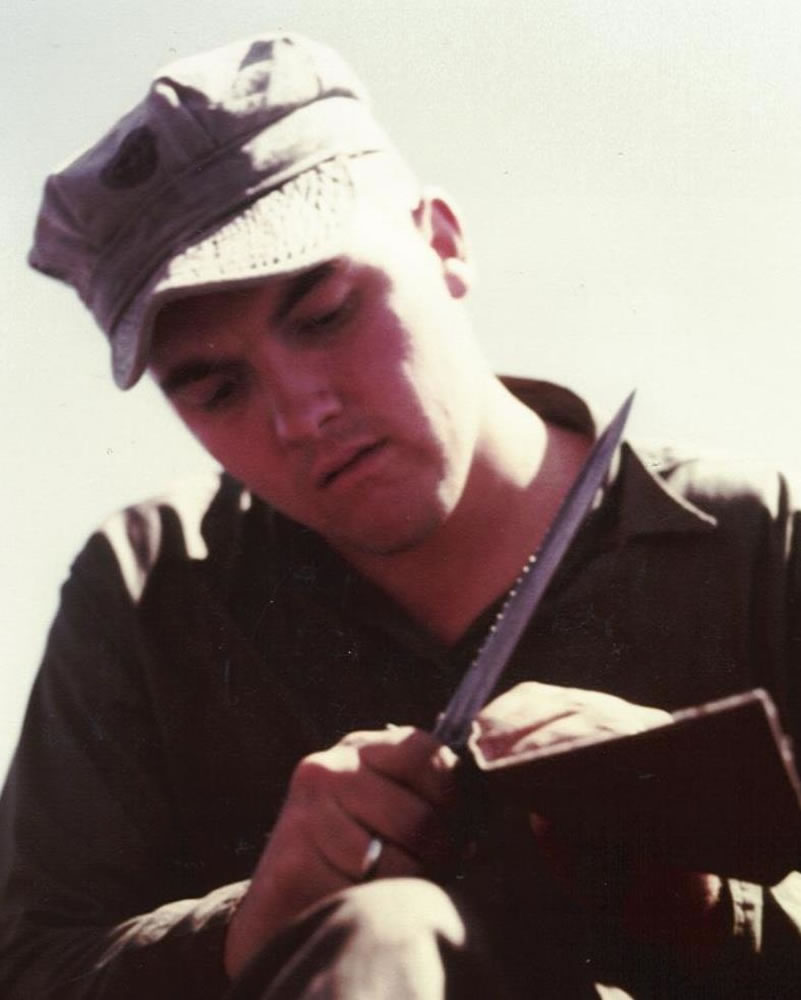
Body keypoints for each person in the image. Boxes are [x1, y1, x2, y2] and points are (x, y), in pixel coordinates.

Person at [1, 30, 800, 999]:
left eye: (326, 315)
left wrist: (711, 911)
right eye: (216, 388)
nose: (300, 415)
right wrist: (250, 930)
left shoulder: (759, 539)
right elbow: (31, 968)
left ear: (442, 242)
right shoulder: (148, 590)